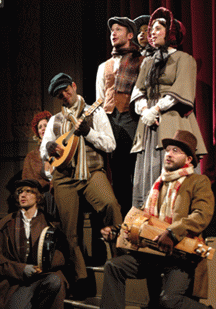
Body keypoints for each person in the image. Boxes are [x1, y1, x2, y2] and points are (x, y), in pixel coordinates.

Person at [100, 130, 215, 309]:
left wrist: (172, 232)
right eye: (167, 150)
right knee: (114, 267)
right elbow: (143, 218)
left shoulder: (198, 181)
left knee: (169, 301)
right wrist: (116, 230)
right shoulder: (158, 184)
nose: (168, 154)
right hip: (152, 252)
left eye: (175, 150)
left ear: (189, 159)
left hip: (179, 255)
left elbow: (201, 215)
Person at [40, 73, 122, 285]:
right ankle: (81, 278)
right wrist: (48, 147)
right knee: (69, 229)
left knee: (111, 204)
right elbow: (44, 149)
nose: (66, 96)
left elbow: (110, 144)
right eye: (61, 95)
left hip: (92, 171)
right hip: (64, 177)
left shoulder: (95, 112)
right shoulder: (55, 121)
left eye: (67, 90)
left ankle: (121, 259)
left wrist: (89, 133)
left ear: (74, 86)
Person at [130, 7, 207, 209]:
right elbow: (138, 90)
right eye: (151, 29)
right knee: (146, 173)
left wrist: (155, 110)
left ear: (171, 32)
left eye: (157, 28)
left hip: (172, 118)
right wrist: (145, 110)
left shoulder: (184, 59)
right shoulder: (147, 62)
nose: (152, 33)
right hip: (148, 122)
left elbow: (182, 89)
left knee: (169, 167)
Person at [96, 17, 143, 218]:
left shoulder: (140, 60)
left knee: (136, 172)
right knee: (119, 175)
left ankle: (140, 219)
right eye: (111, 30)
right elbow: (99, 97)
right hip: (111, 121)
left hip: (132, 118)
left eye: (118, 29)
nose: (113, 33)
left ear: (130, 35)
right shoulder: (104, 66)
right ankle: (123, 221)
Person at [0, 179, 69, 309]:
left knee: (55, 281)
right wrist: (22, 269)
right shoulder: (7, 224)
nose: (22, 195)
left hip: (43, 277)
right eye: (20, 192)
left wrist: (44, 265)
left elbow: (62, 254)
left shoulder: (50, 223)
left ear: (38, 197)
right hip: (17, 281)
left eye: (28, 191)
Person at [22, 110, 57, 218]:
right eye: (40, 127)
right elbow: (27, 183)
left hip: (60, 196)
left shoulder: (61, 150)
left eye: (45, 125)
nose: (42, 128)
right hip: (41, 201)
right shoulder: (31, 156)